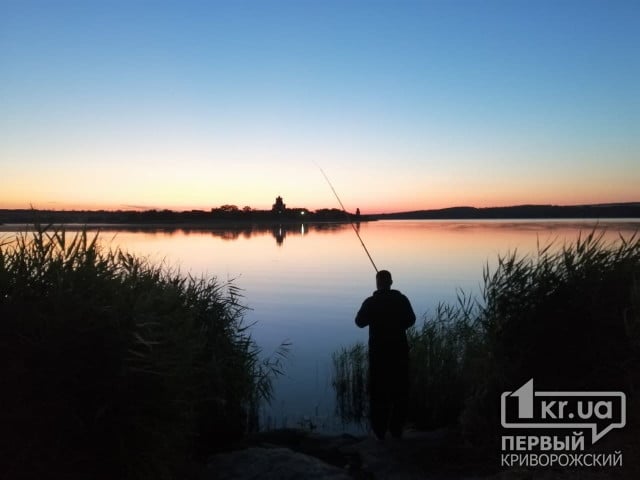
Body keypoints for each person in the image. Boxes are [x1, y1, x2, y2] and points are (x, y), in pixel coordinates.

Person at [355, 269, 416, 440]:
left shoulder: (371, 302)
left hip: (378, 355)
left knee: (378, 393)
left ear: (377, 283)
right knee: (400, 391)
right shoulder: (402, 300)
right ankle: (396, 430)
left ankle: (379, 432)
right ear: (391, 282)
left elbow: (359, 322)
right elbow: (411, 320)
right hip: (400, 353)